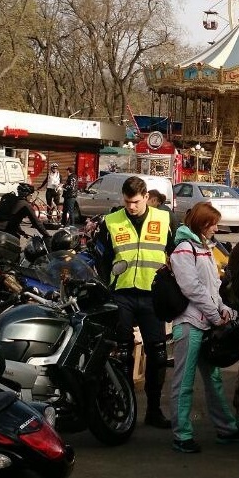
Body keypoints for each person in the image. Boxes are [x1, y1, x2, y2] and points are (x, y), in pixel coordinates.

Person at [168, 202, 239, 454]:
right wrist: (217, 314)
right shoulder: (185, 249)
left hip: (203, 324)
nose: (216, 227)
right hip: (190, 325)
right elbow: (192, 288)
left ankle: (226, 428)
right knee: (184, 382)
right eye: (213, 223)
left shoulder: (201, 247)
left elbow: (210, 289)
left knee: (212, 381)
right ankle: (182, 435)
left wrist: (222, 310)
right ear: (202, 224)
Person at [95, 176, 174, 429]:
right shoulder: (110, 221)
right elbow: (102, 257)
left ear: (146, 197)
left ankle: (153, 410)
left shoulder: (165, 219)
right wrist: (106, 286)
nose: (132, 207)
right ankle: (126, 406)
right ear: (123, 198)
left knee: (158, 354)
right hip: (122, 294)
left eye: (136, 202)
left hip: (153, 295)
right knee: (122, 353)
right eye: (128, 202)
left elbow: (176, 252)